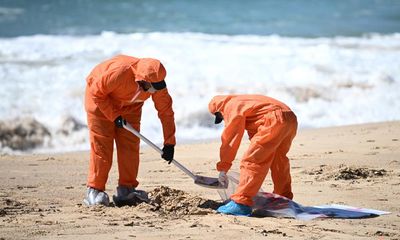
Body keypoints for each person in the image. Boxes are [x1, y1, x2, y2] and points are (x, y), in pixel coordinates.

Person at [84, 55, 176, 206]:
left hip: (131, 106)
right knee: (102, 145)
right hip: (100, 101)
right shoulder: (119, 73)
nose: (153, 91)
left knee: (130, 145)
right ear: (141, 80)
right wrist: (114, 116)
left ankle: (126, 189)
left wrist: (169, 143)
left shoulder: (156, 83)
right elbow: (96, 93)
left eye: (157, 87)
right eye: (150, 87)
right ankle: (95, 190)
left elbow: (166, 112)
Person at [208, 94, 298, 216]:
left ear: (219, 110)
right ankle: (282, 200)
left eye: (221, 117)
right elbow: (256, 130)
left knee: (251, 160)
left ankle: (241, 203)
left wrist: (223, 167)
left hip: (274, 119)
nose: (224, 120)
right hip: (290, 118)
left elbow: (230, 139)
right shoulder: (245, 101)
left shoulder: (230, 106)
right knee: (278, 160)